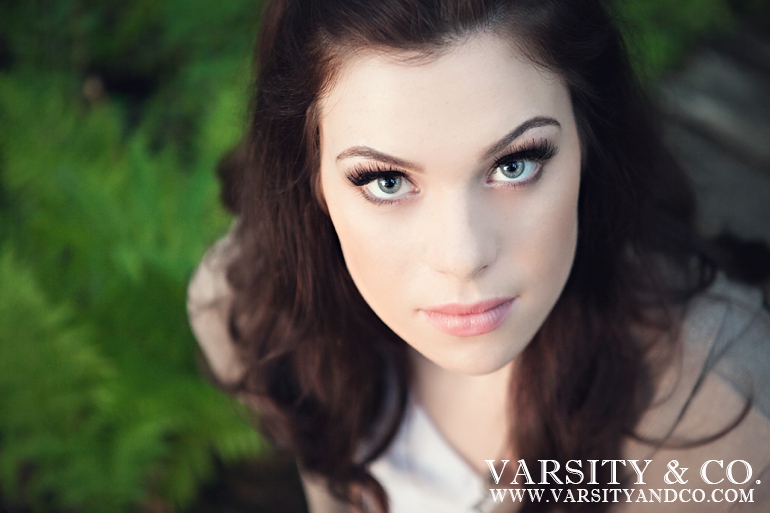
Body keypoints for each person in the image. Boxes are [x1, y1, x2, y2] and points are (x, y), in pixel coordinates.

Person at [186, 0, 770, 511]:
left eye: (514, 165)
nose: (463, 257)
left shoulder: (721, 415)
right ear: (309, 176)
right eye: (386, 181)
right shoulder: (251, 314)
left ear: (589, 141)